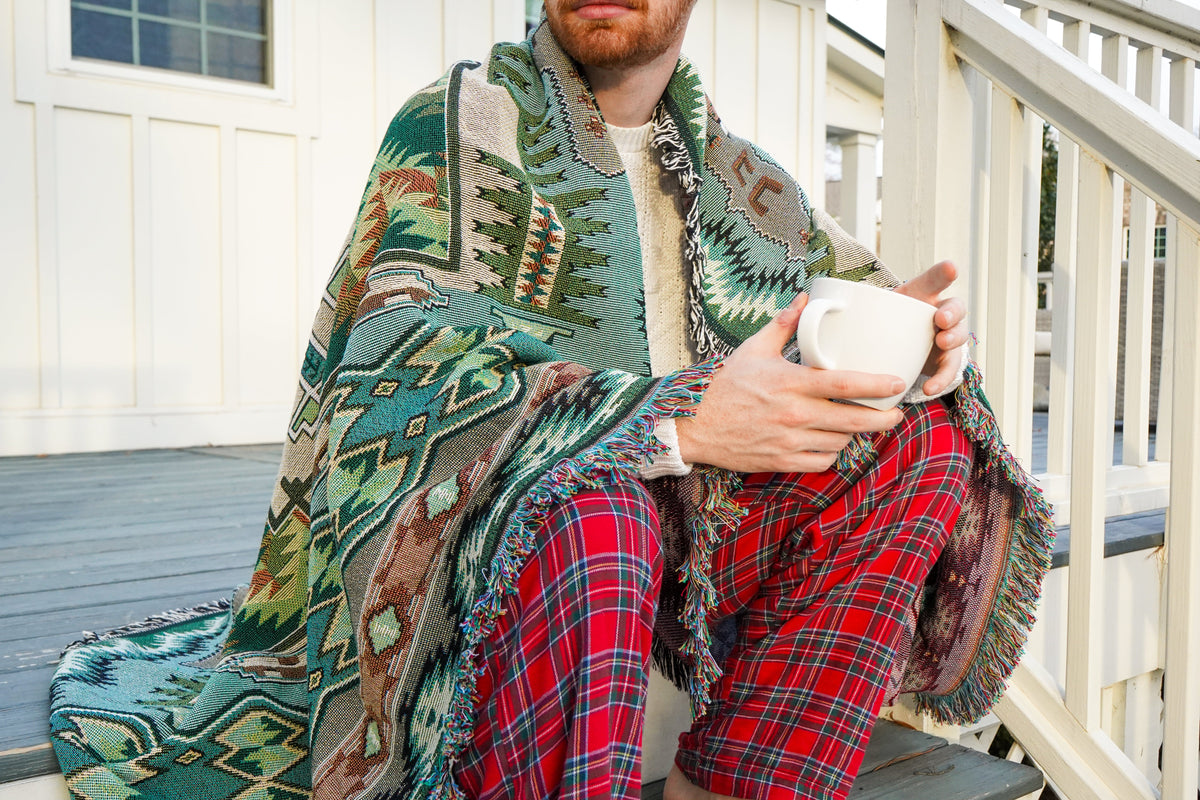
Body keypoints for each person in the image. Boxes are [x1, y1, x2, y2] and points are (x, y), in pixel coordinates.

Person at [48, 2, 1053, 800]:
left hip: (706, 545)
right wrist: (672, 421)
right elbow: (397, 367)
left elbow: (844, 310)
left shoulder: (747, 181)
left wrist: (920, 351)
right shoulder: (461, 123)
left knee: (922, 445)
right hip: (536, 533)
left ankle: (735, 781)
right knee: (594, 506)